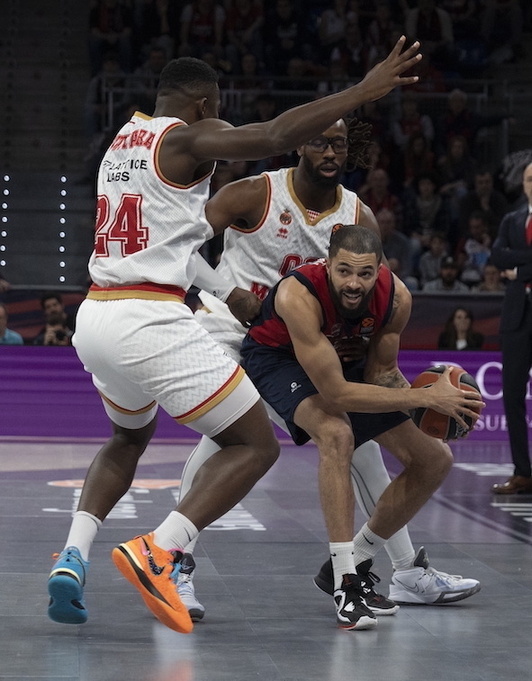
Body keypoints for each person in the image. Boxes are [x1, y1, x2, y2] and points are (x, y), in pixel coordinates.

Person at [47, 42, 424, 632]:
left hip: (96, 313)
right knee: (256, 445)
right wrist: (363, 91)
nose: (220, 119)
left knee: (127, 439)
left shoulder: (122, 141)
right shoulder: (185, 139)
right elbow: (273, 134)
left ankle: (72, 553)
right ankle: (163, 550)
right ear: (203, 104)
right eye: (217, 108)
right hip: (152, 315)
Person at [175, 119, 481, 622]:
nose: (330, 151)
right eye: (319, 140)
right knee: (231, 435)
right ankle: (175, 561)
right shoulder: (255, 192)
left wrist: (405, 390)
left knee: (362, 446)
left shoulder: (358, 215)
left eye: (339, 143)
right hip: (237, 331)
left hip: (311, 342)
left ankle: (399, 569)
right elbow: (175, 243)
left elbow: (374, 305)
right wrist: (227, 292)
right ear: (300, 143)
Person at [239, 225, 483, 629]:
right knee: (337, 434)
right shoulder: (296, 294)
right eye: (345, 271)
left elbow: (381, 374)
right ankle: (346, 582)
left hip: (335, 359)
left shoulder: (397, 298)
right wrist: (424, 398)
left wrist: (445, 408)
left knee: (434, 459)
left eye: (365, 273)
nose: (354, 283)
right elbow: (336, 395)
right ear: (328, 265)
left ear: (380, 269)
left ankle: (359, 556)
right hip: (276, 361)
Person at [491, 161, 532, 495]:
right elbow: (498, 256)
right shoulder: (511, 220)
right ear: (524, 183)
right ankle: (523, 473)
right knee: (513, 395)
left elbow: (509, 261)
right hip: (517, 318)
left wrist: (519, 271)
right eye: (530, 179)